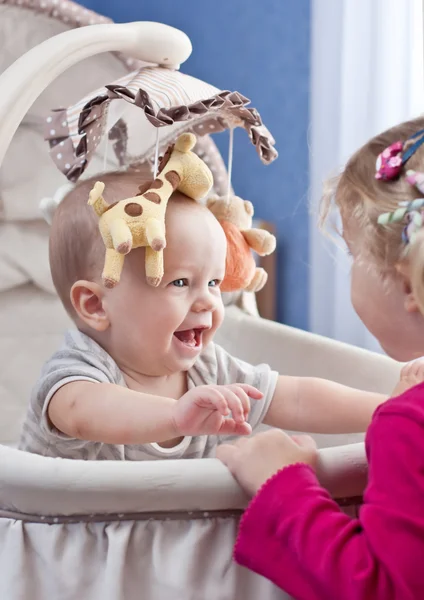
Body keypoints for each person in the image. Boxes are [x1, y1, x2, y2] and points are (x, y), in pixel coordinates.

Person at [20, 168, 385, 461]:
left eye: (212, 282)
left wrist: (389, 410)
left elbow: (295, 398)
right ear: (96, 305)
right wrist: (174, 415)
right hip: (77, 545)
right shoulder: (78, 373)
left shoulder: (207, 369)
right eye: (180, 282)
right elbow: (83, 412)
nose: (209, 302)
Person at [217, 117, 424, 600]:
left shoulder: (409, 425)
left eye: (353, 255)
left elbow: (384, 589)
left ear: (408, 285)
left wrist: (282, 484)